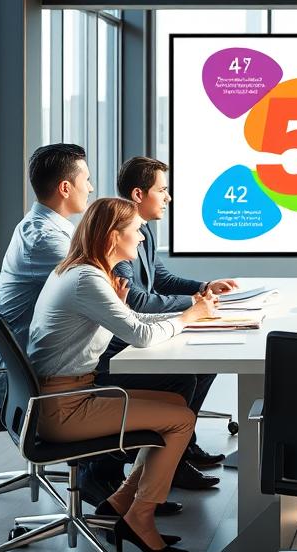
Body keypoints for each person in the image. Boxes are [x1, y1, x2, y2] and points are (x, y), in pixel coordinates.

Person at [27, 197, 218, 552]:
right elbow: (142, 336)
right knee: (181, 420)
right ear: (114, 236)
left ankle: (121, 503)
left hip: (69, 394)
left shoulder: (84, 273)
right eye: (135, 232)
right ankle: (141, 516)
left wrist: (186, 316)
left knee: (176, 405)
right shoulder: (87, 280)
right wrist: (189, 316)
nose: (142, 239)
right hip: (63, 408)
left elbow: (133, 325)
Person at [98, 155, 239, 490]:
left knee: (205, 366)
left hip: (134, 335)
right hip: (118, 350)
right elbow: (136, 301)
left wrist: (202, 289)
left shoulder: (140, 230)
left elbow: (161, 278)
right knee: (184, 377)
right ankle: (167, 459)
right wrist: (193, 308)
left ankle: (181, 448)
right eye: (162, 190)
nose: (168, 198)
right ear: (137, 195)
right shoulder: (121, 236)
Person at [0, 144, 94, 409]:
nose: (90, 188)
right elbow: (97, 290)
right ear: (65, 188)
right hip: (31, 379)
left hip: (38, 364)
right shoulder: (46, 240)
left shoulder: (49, 229)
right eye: (87, 180)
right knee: (167, 374)